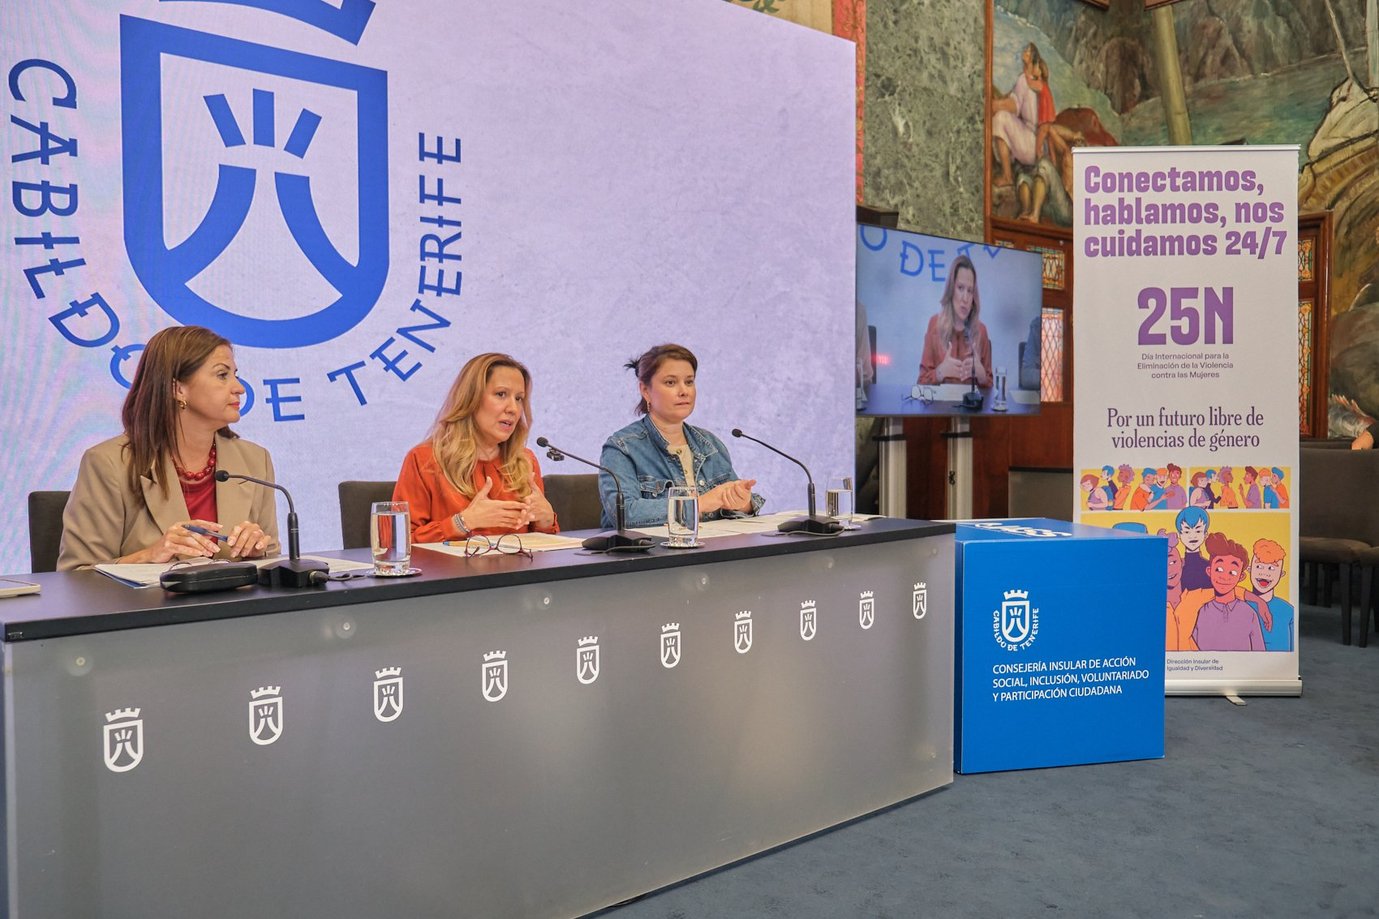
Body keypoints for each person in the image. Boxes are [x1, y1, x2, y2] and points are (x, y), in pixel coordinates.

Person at [57, 325, 279, 570]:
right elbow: (75, 576)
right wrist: (149, 556)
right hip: (150, 608)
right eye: (222, 375)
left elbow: (273, 562)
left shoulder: (255, 460)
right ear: (178, 389)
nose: (240, 387)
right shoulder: (108, 463)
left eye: (235, 374)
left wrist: (258, 551)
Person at [393, 353, 558, 543]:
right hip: (452, 572)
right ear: (471, 399)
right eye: (501, 394)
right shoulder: (424, 459)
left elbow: (543, 550)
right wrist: (462, 523)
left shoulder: (525, 461)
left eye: (519, 398)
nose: (513, 408)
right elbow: (399, 543)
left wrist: (545, 520)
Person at [599, 343, 762, 529]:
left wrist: (743, 503)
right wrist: (699, 504)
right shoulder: (622, 447)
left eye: (689, 381)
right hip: (650, 555)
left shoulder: (710, 443)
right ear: (645, 390)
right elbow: (624, 514)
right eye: (671, 382)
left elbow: (731, 506)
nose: (684, 391)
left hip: (711, 552)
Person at [917, 255, 992, 388]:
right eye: (960, 288)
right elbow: (921, 382)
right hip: (942, 409)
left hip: (971, 409)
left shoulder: (981, 331)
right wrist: (940, 372)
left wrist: (982, 376)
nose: (965, 298)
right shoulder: (935, 325)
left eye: (970, 291)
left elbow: (990, 387)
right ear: (951, 290)